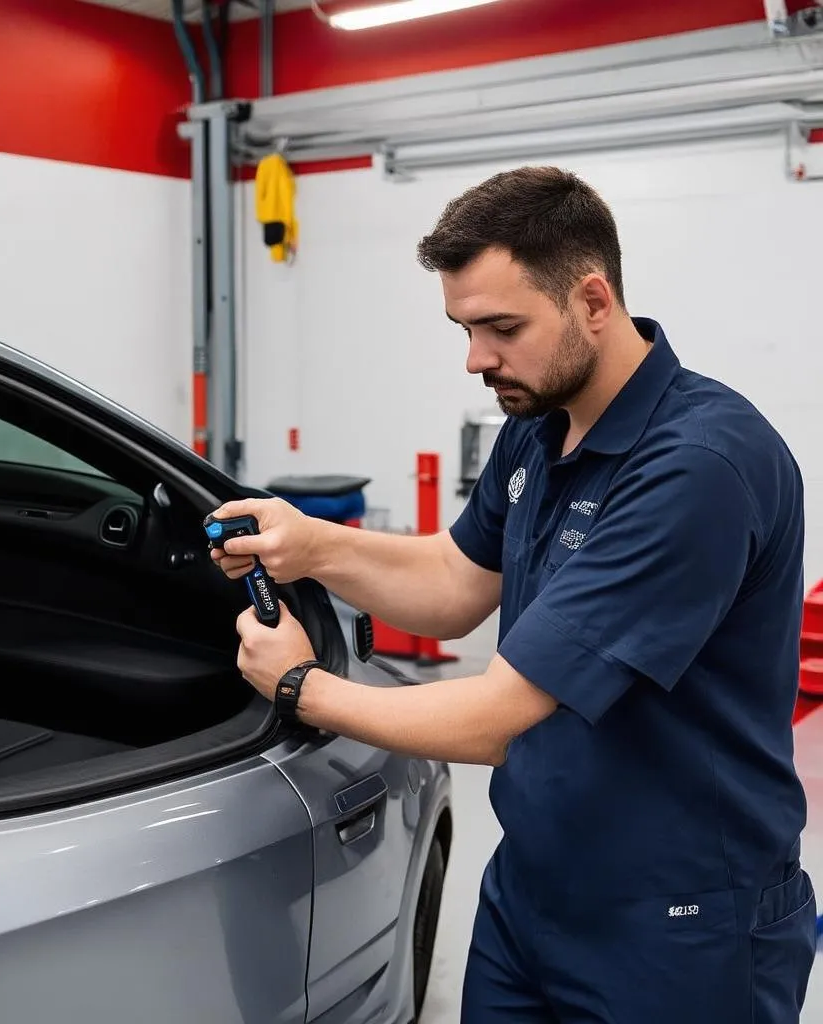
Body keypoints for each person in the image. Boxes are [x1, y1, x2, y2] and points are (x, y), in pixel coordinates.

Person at [208, 166, 816, 1023]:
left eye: (501, 328)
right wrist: (314, 545)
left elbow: (497, 716)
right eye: (462, 328)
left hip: (680, 919)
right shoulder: (539, 426)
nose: (475, 360)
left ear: (593, 301)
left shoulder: (698, 466)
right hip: (532, 889)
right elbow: (456, 584)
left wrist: (302, 686)